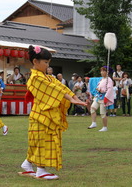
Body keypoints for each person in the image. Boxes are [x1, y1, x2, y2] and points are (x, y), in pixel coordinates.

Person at [18, 45, 86, 180]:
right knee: (43, 141)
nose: (48, 65)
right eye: (45, 62)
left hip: (43, 115)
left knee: (36, 141)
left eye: (48, 62)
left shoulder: (46, 76)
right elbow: (54, 90)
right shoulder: (36, 78)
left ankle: (27, 164)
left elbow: (61, 87)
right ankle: (41, 170)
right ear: (35, 62)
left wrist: (75, 98)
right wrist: (71, 99)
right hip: (42, 115)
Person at [88, 67, 114, 132]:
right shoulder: (102, 79)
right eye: (101, 71)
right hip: (98, 97)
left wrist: (106, 97)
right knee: (92, 108)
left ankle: (105, 127)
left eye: (103, 71)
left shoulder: (109, 80)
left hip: (103, 97)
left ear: (107, 72)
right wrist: (99, 89)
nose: (102, 72)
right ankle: (94, 123)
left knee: (102, 113)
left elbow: (109, 89)